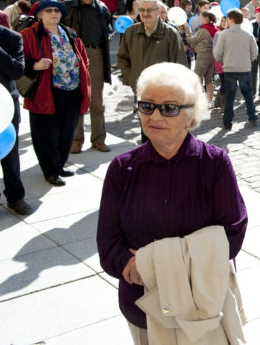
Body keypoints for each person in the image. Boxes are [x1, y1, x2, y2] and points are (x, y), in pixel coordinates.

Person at [97, 62, 248, 342]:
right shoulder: (121, 169)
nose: (154, 115)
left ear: (191, 115)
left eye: (168, 108)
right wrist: (129, 266)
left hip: (200, 302)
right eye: (146, 106)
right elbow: (108, 245)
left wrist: (152, 264)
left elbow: (233, 235)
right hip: (143, 306)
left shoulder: (214, 164)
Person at [21, 0, 91, 187]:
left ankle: (59, 165)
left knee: (67, 132)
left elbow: (84, 58)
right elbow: (18, 61)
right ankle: (50, 170)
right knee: (46, 133)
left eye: (56, 10)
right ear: (39, 15)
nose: (53, 14)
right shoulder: (29, 34)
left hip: (72, 91)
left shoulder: (70, 33)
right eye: (48, 10)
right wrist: (34, 65)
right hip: (47, 92)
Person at [117, 0, 188, 143]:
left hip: (165, 94)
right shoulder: (131, 32)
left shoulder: (170, 34)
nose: (145, 13)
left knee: (165, 132)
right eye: (142, 10)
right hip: (142, 92)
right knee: (146, 130)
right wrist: (131, 79)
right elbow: (122, 59)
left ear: (158, 11)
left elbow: (181, 66)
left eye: (149, 10)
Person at [64, 0, 113, 153]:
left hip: (95, 54)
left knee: (97, 100)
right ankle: (76, 140)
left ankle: (99, 138)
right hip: (73, 56)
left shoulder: (102, 8)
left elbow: (107, 30)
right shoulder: (67, 7)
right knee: (77, 98)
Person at [0, 0, 33, 219]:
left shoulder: (11, 37)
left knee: (9, 154)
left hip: (4, 106)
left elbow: (17, 71)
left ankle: (16, 197)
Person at [213, 8, 258, 129]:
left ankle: (227, 122)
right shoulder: (248, 34)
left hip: (229, 69)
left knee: (230, 96)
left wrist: (224, 60)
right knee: (247, 93)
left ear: (231, 20)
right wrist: (248, 61)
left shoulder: (224, 35)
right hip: (244, 68)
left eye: (228, 19)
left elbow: (217, 54)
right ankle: (252, 116)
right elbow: (255, 52)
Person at [184, 11, 218, 106]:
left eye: (201, 18)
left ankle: (197, 101)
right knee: (209, 79)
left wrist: (187, 29)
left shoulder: (203, 31)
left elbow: (191, 40)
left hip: (203, 56)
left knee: (197, 78)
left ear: (204, 19)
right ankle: (210, 101)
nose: (199, 19)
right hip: (212, 56)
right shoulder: (214, 28)